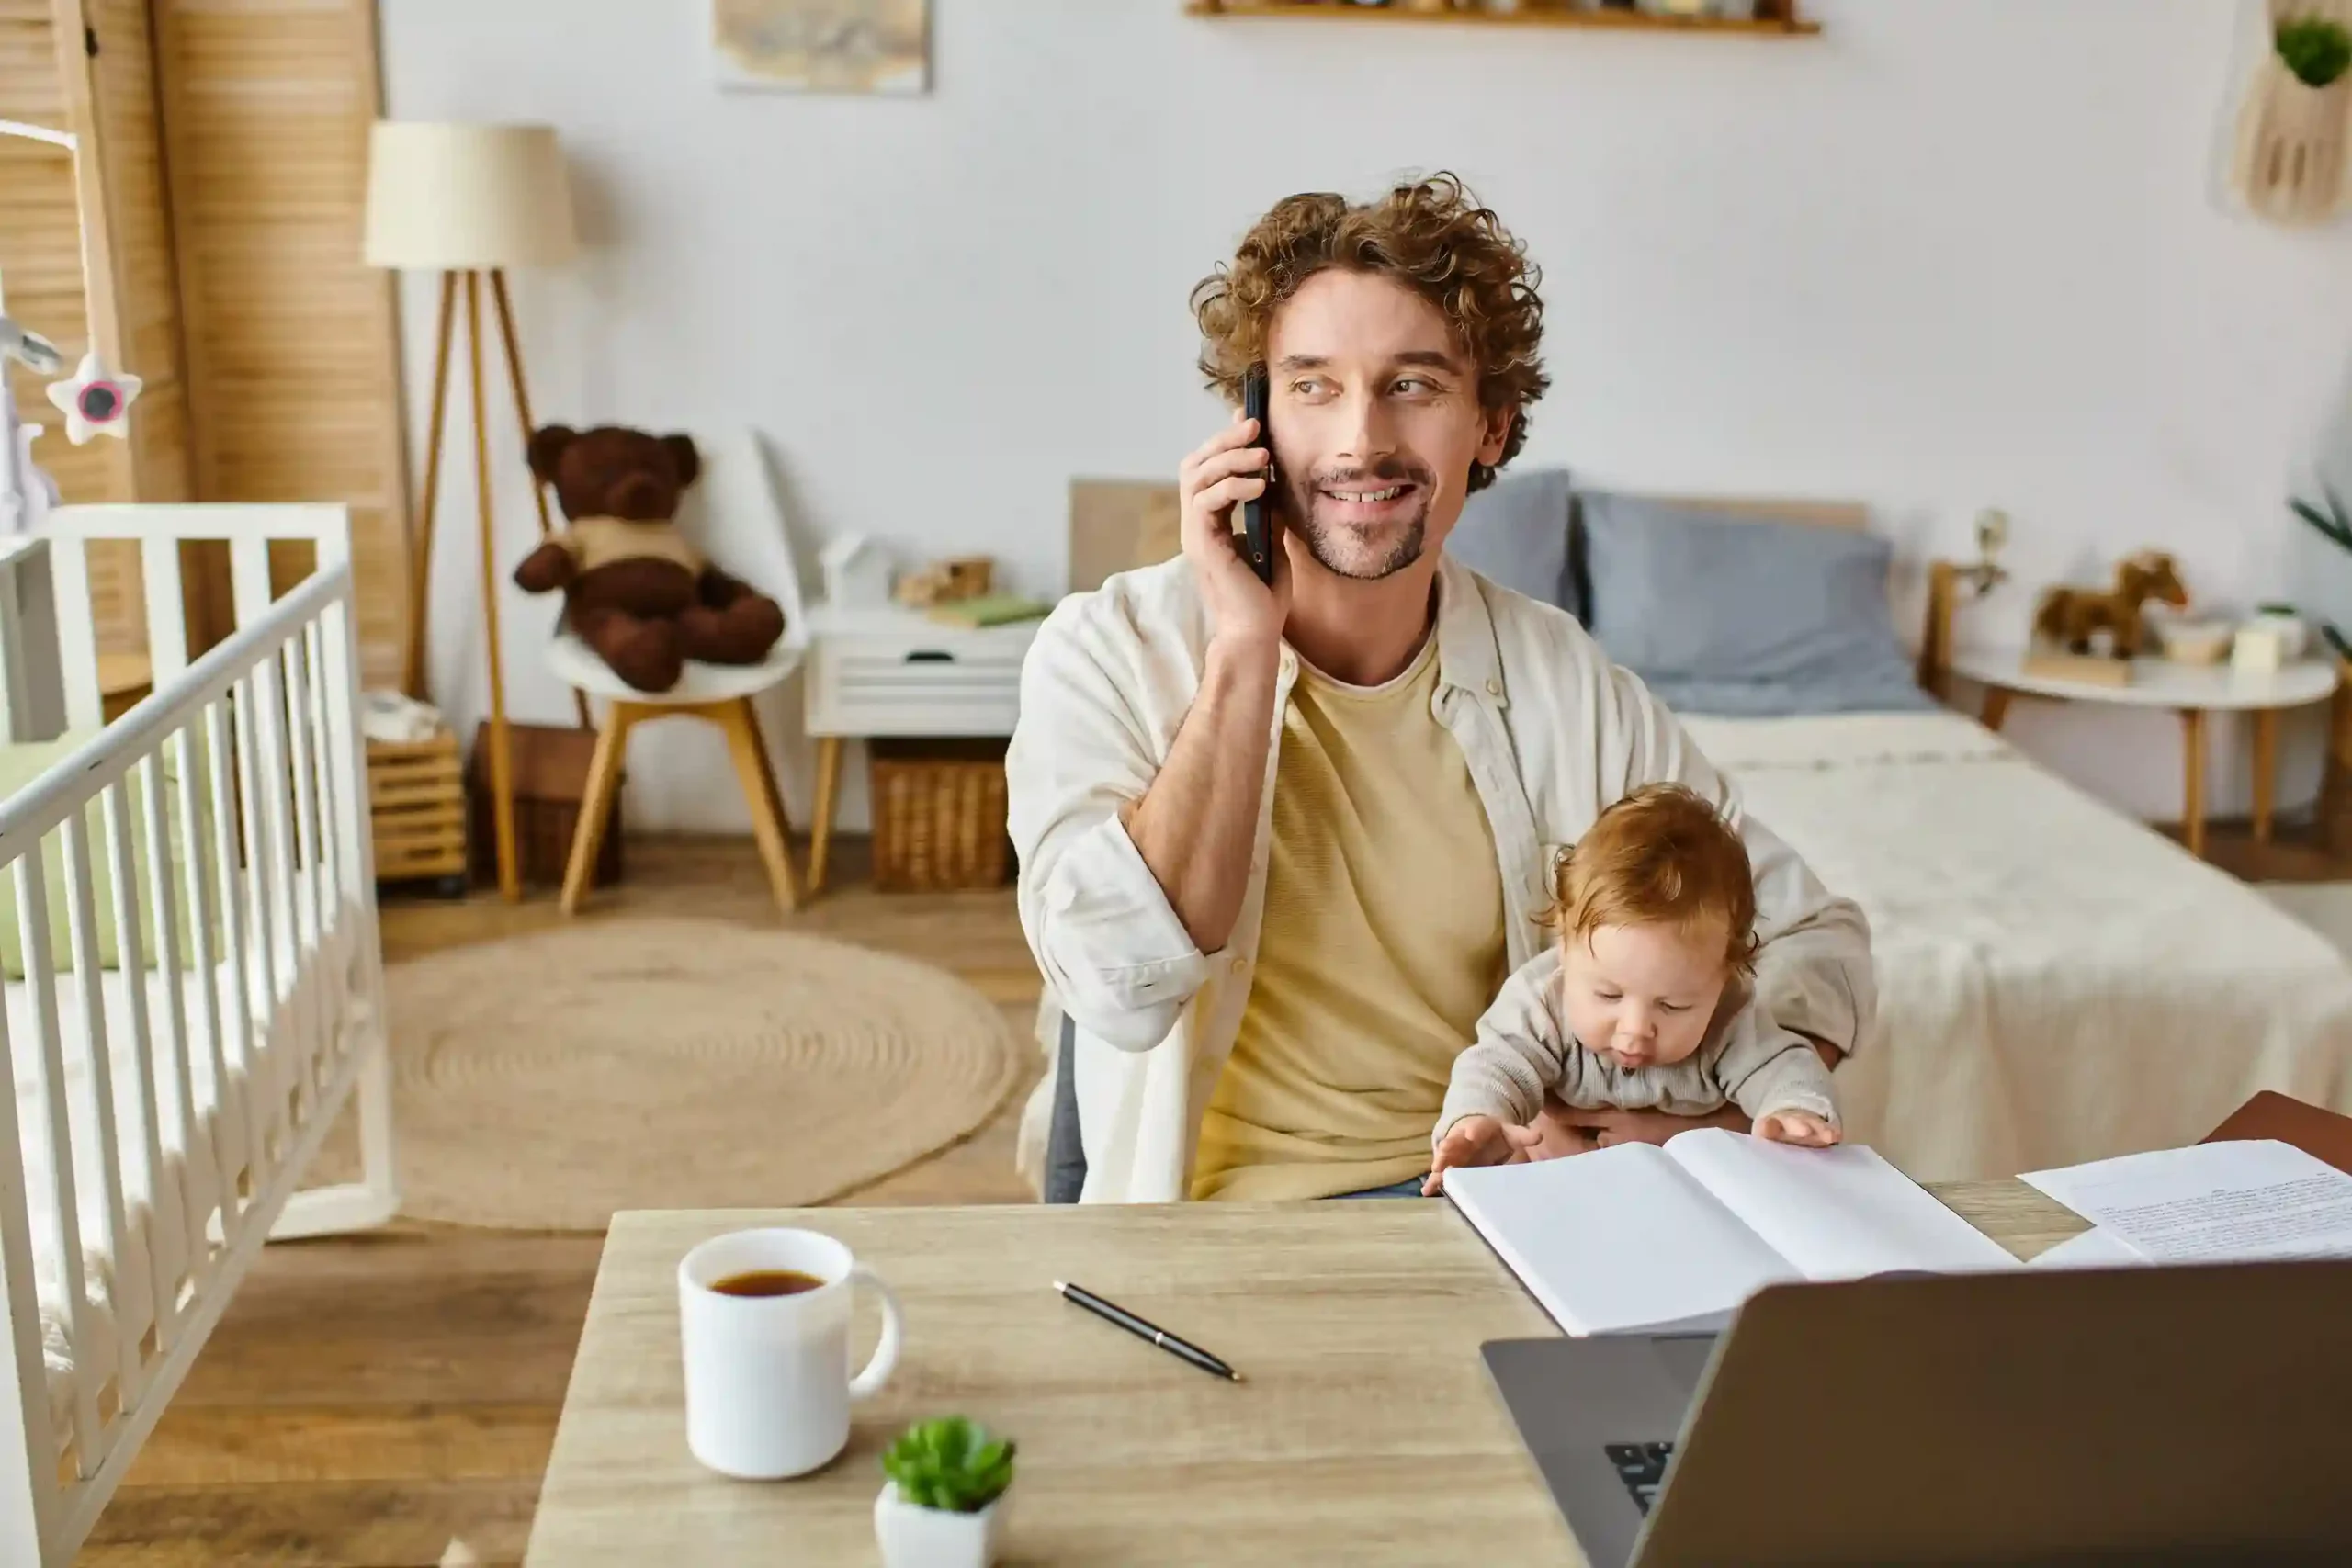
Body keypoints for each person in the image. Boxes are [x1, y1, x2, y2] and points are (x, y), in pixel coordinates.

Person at [1006, 172, 1873, 1203]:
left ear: (1491, 428)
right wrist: (1243, 649)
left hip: (1498, 1203)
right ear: (1252, 422)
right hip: (1222, 1229)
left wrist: (1700, 1127)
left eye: (1411, 385)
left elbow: (1814, 937)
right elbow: (1116, 987)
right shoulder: (1105, 653)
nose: (1360, 439)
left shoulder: (1564, 682)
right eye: (1312, 386)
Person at [1421, 784, 1841, 1198]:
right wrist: (1478, 1119)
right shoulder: (1541, 1003)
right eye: (1608, 995)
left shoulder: (1730, 1017)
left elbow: (1784, 1066)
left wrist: (1793, 1110)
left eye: (1673, 1005)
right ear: (1564, 946)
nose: (1635, 1031)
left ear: (1726, 976)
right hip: (1555, 1189)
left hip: (1679, 1195)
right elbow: (1494, 1066)